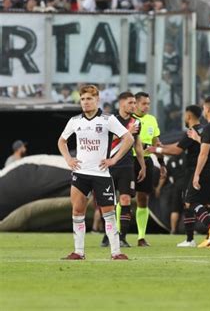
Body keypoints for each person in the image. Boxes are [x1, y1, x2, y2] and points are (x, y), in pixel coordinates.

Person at [57, 84, 134, 260]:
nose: (85, 102)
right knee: (77, 211)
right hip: (80, 173)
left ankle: (116, 252)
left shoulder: (108, 119)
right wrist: (68, 159)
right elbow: (62, 141)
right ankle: (79, 252)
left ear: (97, 100)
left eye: (89, 99)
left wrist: (114, 160)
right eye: (82, 99)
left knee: (108, 213)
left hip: (101, 174)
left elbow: (128, 138)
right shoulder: (75, 121)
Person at [150, 105, 204, 247]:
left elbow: (176, 150)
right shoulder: (202, 130)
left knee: (189, 203)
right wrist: (162, 146)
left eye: (184, 115)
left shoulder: (192, 131)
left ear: (188, 116)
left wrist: (156, 149)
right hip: (203, 171)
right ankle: (205, 235)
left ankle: (196, 236)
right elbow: (178, 145)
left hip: (193, 172)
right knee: (201, 203)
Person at [101, 92, 146, 248]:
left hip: (127, 166)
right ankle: (107, 236)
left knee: (126, 200)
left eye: (135, 103)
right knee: (108, 202)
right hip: (110, 165)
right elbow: (105, 141)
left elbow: (137, 144)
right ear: (121, 104)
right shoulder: (110, 120)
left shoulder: (136, 122)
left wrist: (142, 165)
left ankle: (122, 237)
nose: (134, 105)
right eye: (131, 103)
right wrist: (125, 134)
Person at [184, 97, 210, 248]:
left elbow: (204, 153)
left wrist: (196, 174)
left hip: (207, 171)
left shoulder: (209, 127)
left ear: (207, 109)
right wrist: (198, 139)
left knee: (191, 201)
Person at [134, 92, 165, 246]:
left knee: (143, 198)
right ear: (136, 103)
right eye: (144, 103)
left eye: (148, 103)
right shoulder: (129, 119)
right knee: (124, 198)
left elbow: (156, 143)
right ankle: (118, 234)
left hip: (146, 162)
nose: (146, 106)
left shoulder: (152, 120)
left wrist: (162, 164)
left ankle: (141, 237)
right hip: (128, 161)